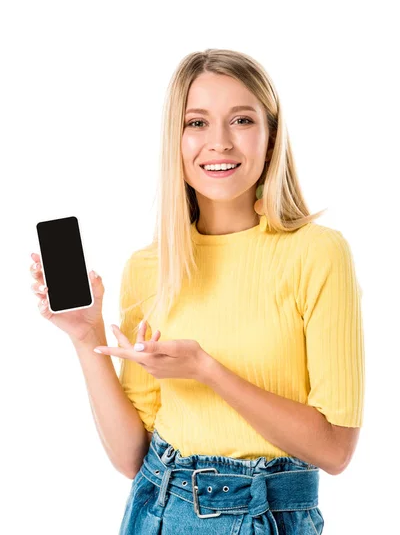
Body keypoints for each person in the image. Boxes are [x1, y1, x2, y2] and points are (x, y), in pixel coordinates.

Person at [30, 48, 365, 534]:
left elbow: (335, 450)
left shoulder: (317, 254)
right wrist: (86, 338)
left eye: (242, 120)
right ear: (176, 139)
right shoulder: (150, 267)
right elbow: (130, 457)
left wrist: (207, 370)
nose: (220, 143)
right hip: (156, 509)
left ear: (271, 137)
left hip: (264, 515)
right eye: (197, 123)